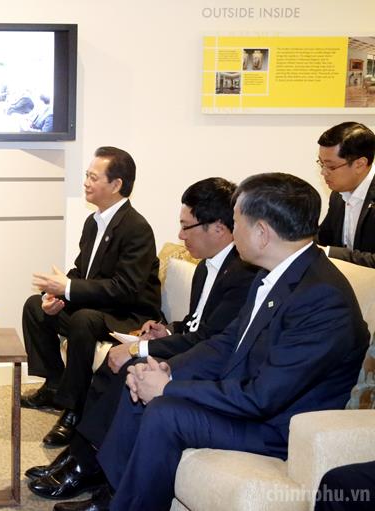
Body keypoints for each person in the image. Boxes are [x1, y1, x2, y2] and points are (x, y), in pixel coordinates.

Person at [53, 173, 369, 511]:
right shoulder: (276, 273)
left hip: (277, 427)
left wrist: (168, 388)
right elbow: (227, 342)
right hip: (251, 400)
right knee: (140, 384)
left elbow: (262, 397)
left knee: (164, 412)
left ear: (262, 233)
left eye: (237, 221)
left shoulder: (322, 299)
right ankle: (113, 497)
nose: (232, 231)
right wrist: (165, 371)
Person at [27, 177, 258, 500]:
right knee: (111, 363)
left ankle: (88, 467)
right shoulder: (207, 267)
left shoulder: (243, 274)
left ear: (218, 228)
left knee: (127, 365)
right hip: (194, 346)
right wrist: (169, 329)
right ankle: (80, 456)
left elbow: (212, 339)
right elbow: (198, 323)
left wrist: (139, 347)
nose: (180, 236)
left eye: (186, 226)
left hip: (210, 363)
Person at [21, 146, 162, 447]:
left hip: (128, 314)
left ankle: (74, 410)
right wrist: (56, 293)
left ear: (116, 184)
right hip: (98, 307)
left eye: (93, 177)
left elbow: (125, 289)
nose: (85, 182)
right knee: (35, 306)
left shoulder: (136, 228)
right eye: (86, 175)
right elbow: (81, 271)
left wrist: (68, 288)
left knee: (84, 320)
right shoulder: (93, 222)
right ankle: (53, 385)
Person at [316, 121, 375, 267]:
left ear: (360, 164)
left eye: (331, 166)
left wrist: (330, 252)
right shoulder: (338, 195)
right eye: (321, 164)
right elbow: (323, 237)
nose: (323, 172)